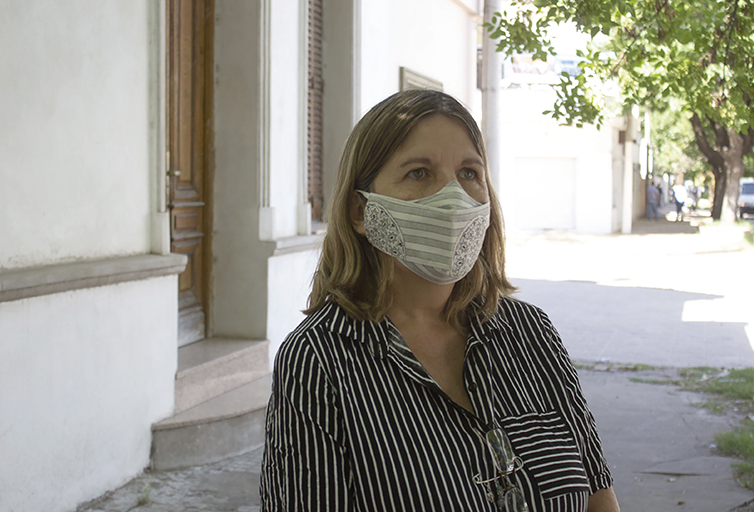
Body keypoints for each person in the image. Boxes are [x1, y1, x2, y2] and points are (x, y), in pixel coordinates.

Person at [259, 90, 620, 511]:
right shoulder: (320, 360)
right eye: (419, 173)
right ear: (360, 212)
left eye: (469, 172)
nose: (453, 197)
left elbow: (597, 495)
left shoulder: (531, 333)